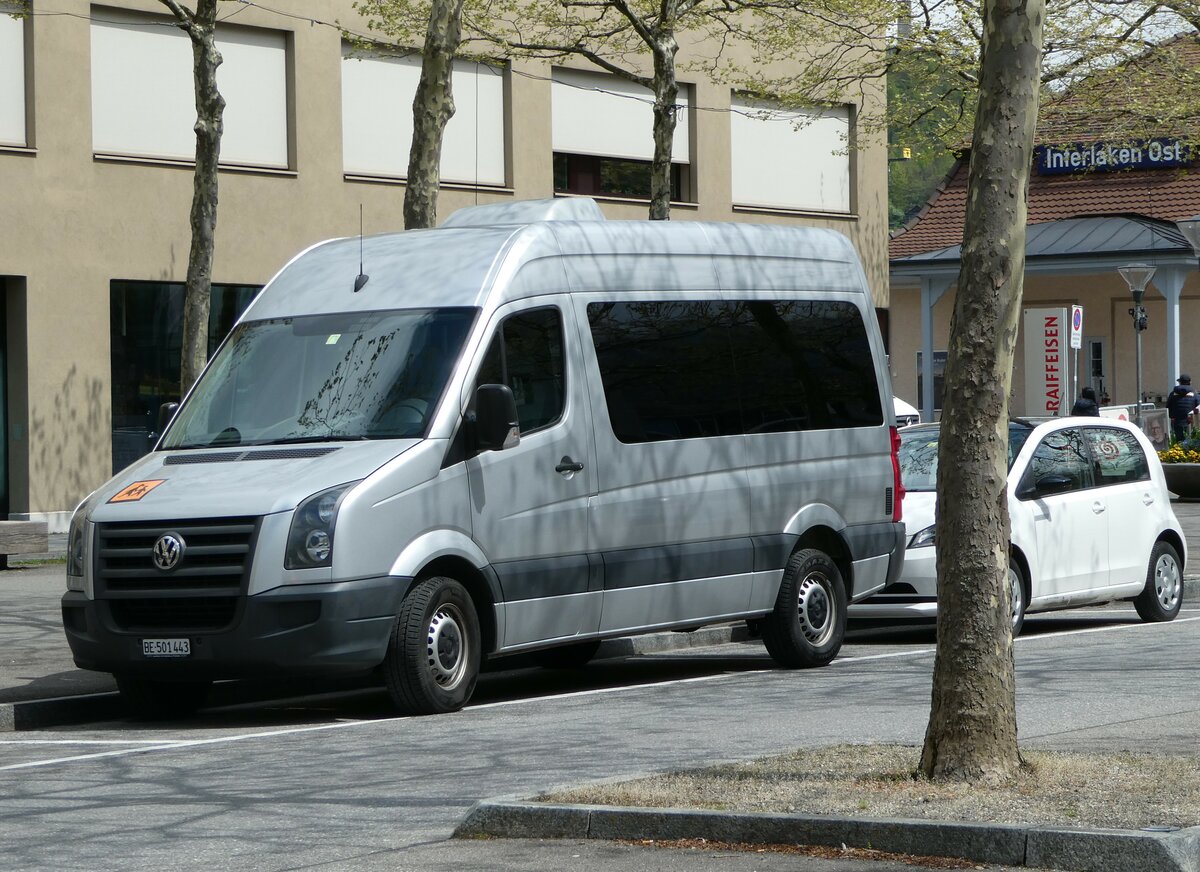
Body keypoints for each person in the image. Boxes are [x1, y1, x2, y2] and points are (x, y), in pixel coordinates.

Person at [1166, 374, 1199, 441]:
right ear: (1190, 382)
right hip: (1191, 422)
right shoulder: (1195, 394)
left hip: (1176, 422)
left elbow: (1168, 407)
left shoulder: (1173, 394)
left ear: (1180, 382)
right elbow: (1198, 408)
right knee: (1191, 443)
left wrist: (1172, 416)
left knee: (1178, 442)